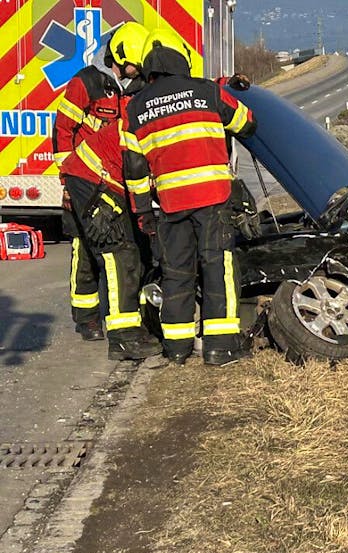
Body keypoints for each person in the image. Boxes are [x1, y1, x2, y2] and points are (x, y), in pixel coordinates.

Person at [123, 28, 256, 366]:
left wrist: (143, 211)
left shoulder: (135, 108)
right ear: (182, 65)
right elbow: (246, 123)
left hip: (170, 205)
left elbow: (135, 169)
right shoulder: (207, 91)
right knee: (218, 266)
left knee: (176, 273)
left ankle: (178, 348)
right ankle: (220, 346)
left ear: (150, 73)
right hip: (213, 197)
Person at [52, 22, 149, 342]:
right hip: (85, 179)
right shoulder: (86, 82)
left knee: (118, 247)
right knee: (85, 247)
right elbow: (63, 129)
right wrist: (66, 178)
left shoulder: (128, 87)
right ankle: (87, 318)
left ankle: (122, 312)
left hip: (113, 180)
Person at [59, 116, 162, 360]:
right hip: (94, 177)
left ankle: (88, 319)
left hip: (99, 175)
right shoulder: (155, 119)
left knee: (93, 246)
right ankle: (123, 338)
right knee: (120, 252)